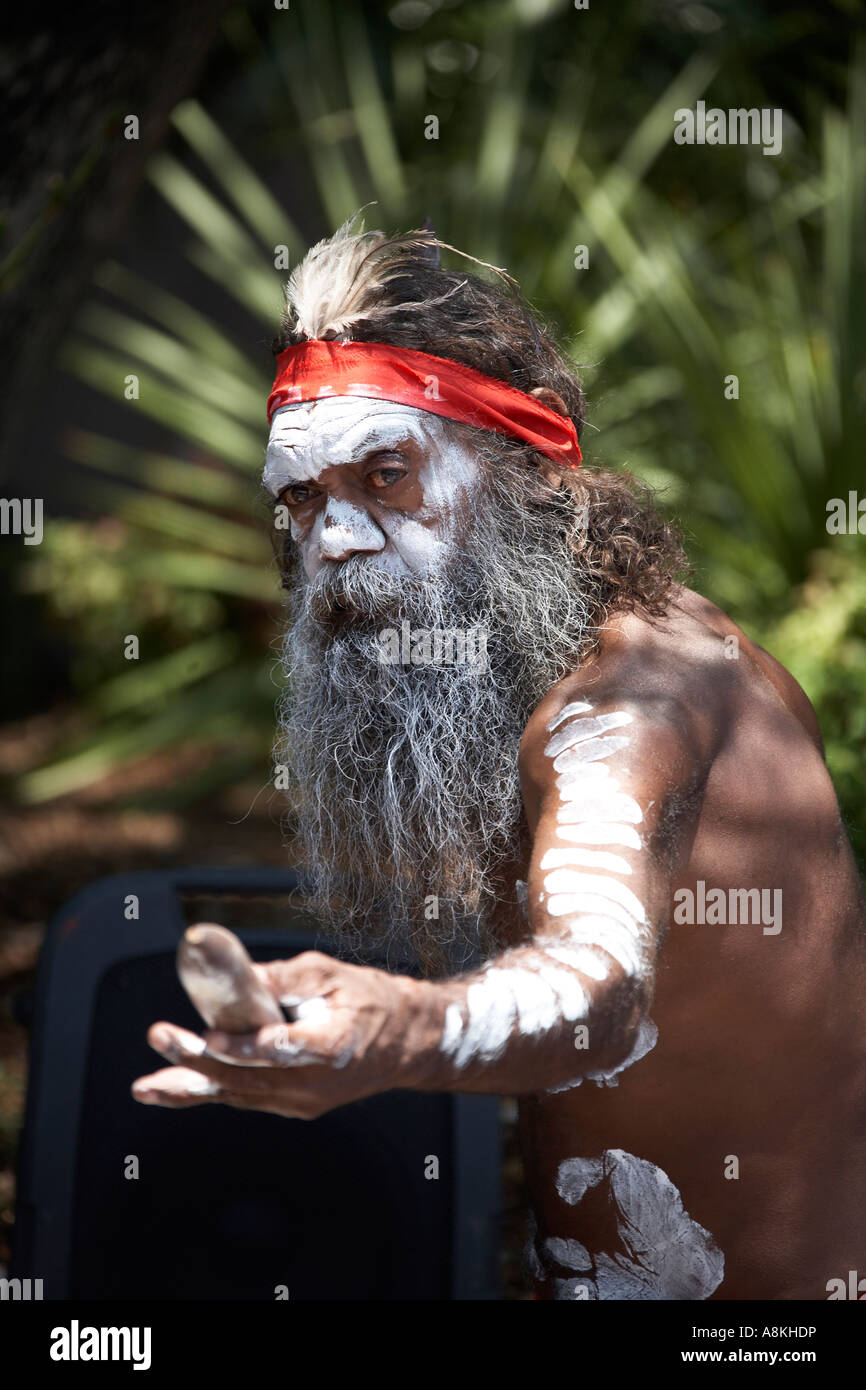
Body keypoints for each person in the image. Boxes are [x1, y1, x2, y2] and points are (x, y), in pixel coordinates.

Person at [133, 216, 866, 1300]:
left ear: (523, 472)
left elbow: (597, 988)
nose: (332, 542)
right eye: (302, 499)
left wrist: (403, 1028)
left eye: (383, 475)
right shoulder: (667, 640)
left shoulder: (625, 715)